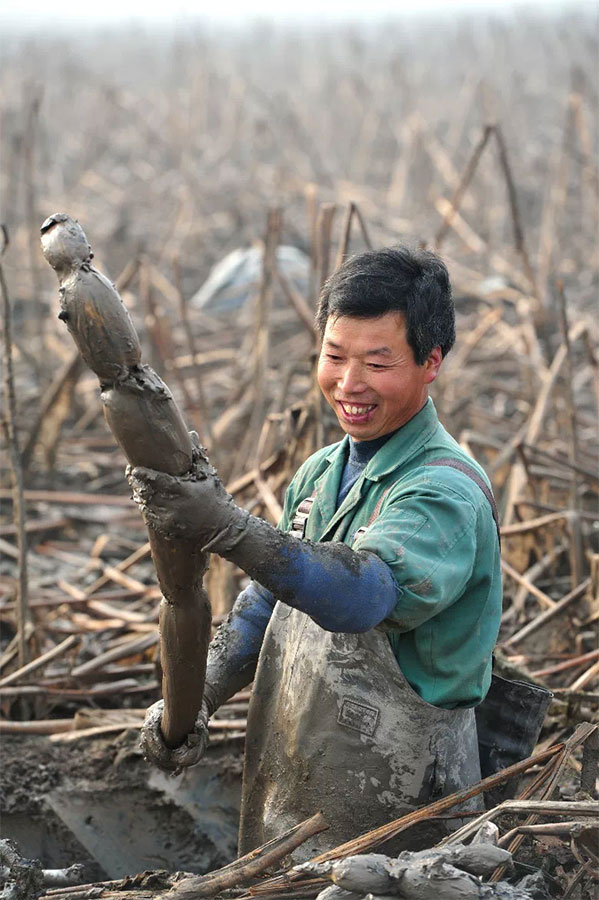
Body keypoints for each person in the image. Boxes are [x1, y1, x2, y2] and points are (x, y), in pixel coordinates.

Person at [128, 246, 502, 858]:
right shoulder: (320, 474)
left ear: (431, 361)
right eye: (334, 356)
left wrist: (229, 528)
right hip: (294, 779)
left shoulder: (443, 491)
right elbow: (265, 606)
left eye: (377, 363)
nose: (349, 384)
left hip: (404, 809)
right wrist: (194, 701)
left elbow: (364, 596)